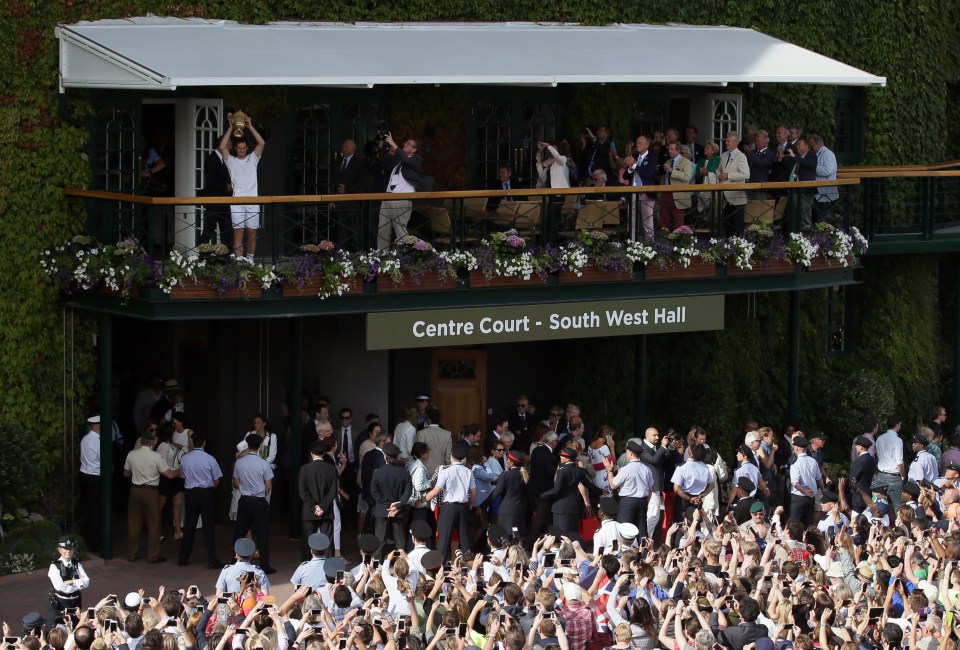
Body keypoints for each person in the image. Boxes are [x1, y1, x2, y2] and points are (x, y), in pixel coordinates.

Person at [123, 427, 180, 563]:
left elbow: (126, 473)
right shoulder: (156, 457)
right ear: (153, 442)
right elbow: (169, 475)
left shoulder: (131, 454)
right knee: (154, 523)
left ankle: (131, 554)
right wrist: (181, 469)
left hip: (135, 490)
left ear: (141, 441)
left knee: (134, 523)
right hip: (151, 491)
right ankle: (153, 555)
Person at [416, 441, 476, 560]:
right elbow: (474, 493)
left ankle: (438, 569)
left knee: (444, 539)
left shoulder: (445, 471)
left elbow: (436, 491)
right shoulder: (468, 472)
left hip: (448, 507)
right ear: (463, 458)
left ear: (451, 457)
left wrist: (422, 500)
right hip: (463, 507)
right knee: (464, 540)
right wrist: (471, 504)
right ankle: (469, 568)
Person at [218, 113, 265, 261]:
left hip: (253, 201)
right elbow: (222, 146)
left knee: (251, 233)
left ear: (247, 148)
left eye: (244, 148)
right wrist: (230, 128)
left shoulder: (253, 159)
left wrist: (250, 126)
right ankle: (239, 264)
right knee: (238, 233)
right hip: (237, 202)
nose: (242, 151)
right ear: (236, 149)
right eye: (239, 148)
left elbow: (262, 143)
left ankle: (250, 261)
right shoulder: (231, 161)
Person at [177, 431, 223, 568]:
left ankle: (183, 559)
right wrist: (209, 488)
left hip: (191, 493)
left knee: (189, 526)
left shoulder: (185, 459)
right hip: (206, 493)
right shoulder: (210, 459)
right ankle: (212, 559)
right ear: (204, 443)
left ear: (192, 442)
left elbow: (182, 476)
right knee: (208, 527)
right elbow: (216, 480)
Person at [233, 432, 275, 574]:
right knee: (262, 534)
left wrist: (246, 488)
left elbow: (235, 482)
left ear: (248, 445)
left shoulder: (239, 462)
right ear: (260, 446)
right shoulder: (264, 463)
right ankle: (264, 564)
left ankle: (234, 560)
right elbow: (268, 485)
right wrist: (261, 494)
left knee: (239, 531)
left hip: (244, 500)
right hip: (259, 500)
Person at [376, 133, 425, 249]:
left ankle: (404, 260)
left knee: (400, 233)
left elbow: (405, 159)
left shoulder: (416, 160)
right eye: (405, 143)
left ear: (414, 149)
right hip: (387, 199)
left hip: (401, 200)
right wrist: (381, 146)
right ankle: (382, 258)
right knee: (382, 231)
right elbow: (384, 158)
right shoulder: (398, 161)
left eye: (408, 144)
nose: (404, 144)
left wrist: (393, 144)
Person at [541, 446, 602, 537]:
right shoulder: (580, 471)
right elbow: (588, 485)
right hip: (574, 505)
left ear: (568, 458)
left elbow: (556, 490)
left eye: (562, 456)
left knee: (561, 534)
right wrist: (600, 491)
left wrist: (542, 495)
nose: (561, 457)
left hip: (561, 506)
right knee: (573, 533)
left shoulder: (562, 471)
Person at [604, 439, 654, 539]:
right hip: (642, 502)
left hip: (628, 502)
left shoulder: (625, 469)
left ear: (630, 453)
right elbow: (650, 490)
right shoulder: (646, 469)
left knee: (624, 531)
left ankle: (625, 553)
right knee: (642, 533)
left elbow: (613, 485)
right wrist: (646, 503)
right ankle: (644, 554)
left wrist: (610, 471)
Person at [298, 437, 339, 560]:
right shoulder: (331, 469)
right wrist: (323, 506)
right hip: (326, 511)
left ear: (311, 454)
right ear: (324, 453)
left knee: (307, 542)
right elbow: (333, 491)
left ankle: (306, 567)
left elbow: (303, 491)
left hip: (309, 512)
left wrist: (313, 506)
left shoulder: (304, 469)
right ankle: (329, 570)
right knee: (328, 541)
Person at [370, 442, 412, 557]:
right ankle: (403, 567)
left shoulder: (378, 473)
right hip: (398, 511)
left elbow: (374, 492)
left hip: (382, 510)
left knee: (380, 541)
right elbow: (408, 492)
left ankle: (378, 568)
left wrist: (388, 504)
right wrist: (397, 505)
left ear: (385, 457)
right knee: (400, 542)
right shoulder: (404, 473)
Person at [199, 126, 233, 245]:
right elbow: (210, 181)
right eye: (229, 145)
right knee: (208, 231)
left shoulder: (224, 160)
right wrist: (226, 187)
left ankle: (226, 258)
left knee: (227, 232)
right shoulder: (211, 159)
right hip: (213, 203)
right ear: (221, 146)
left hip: (224, 204)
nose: (231, 147)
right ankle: (202, 256)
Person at [46, 536, 89, 630]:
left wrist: (71, 582)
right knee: (52, 630)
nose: (68, 551)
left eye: (71, 549)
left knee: (76, 629)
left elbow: (87, 582)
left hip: (75, 604)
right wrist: (78, 583)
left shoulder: (77, 564)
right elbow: (61, 587)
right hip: (60, 604)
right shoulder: (54, 566)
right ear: (60, 550)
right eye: (66, 549)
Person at [332, 139, 365, 250]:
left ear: (353, 149)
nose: (343, 149)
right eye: (343, 147)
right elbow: (332, 181)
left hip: (353, 202)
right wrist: (331, 199)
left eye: (346, 147)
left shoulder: (360, 162)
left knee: (356, 229)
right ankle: (341, 254)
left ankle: (359, 254)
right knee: (341, 229)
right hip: (340, 202)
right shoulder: (337, 162)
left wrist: (347, 189)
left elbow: (362, 183)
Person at [716, 131, 750, 234]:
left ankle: (738, 249)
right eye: (726, 140)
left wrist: (728, 175)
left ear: (736, 142)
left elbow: (746, 174)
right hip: (724, 198)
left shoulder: (741, 156)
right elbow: (718, 169)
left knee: (737, 229)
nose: (726, 142)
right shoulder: (723, 155)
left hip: (736, 198)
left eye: (728, 141)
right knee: (726, 228)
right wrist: (719, 175)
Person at [79, 415, 101, 553]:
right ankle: (95, 542)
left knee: (87, 508)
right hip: (95, 476)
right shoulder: (98, 441)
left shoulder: (85, 438)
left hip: (84, 474)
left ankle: (87, 539)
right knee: (96, 510)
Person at [789, 435, 822, 526]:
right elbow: (819, 478)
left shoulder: (795, 463)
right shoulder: (813, 461)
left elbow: (795, 483)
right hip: (811, 498)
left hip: (799, 497)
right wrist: (823, 491)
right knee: (808, 523)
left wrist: (805, 491)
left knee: (794, 524)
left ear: (796, 447)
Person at [875, 414, 905, 511]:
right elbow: (899, 463)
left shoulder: (879, 438)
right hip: (894, 476)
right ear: (897, 425)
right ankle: (899, 525)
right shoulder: (898, 440)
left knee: (879, 506)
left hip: (881, 475)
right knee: (898, 507)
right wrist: (903, 476)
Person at [415, 408, 452, 478]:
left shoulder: (421, 433)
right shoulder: (447, 434)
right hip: (442, 472)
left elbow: (419, 454)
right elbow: (448, 458)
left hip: (425, 471)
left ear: (429, 419)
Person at [809, 134, 838, 223]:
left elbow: (827, 170)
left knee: (822, 217)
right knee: (816, 216)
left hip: (825, 191)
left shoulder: (828, 154)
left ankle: (823, 236)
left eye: (811, 145)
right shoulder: (814, 154)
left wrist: (812, 168)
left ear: (817, 144)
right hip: (816, 191)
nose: (810, 147)